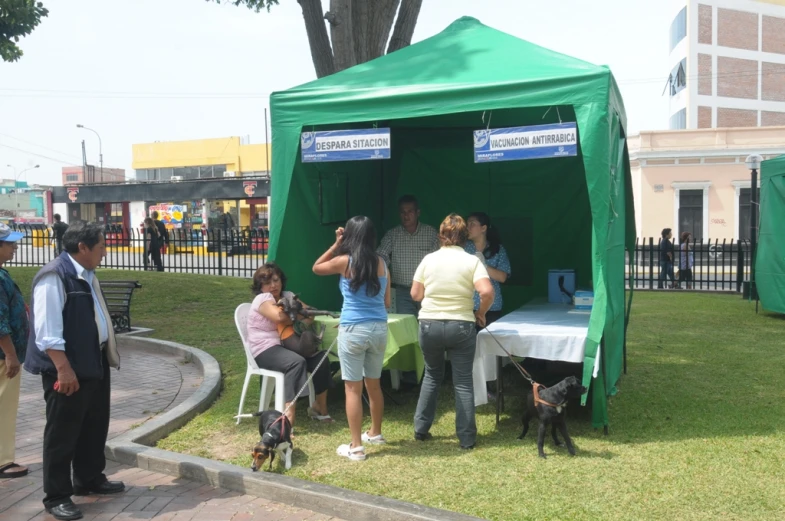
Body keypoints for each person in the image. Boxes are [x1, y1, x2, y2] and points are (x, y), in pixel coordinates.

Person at [23, 221, 124, 521]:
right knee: (62, 433)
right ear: (83, 247)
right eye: (102, 246)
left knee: (94, 425)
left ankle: (89, 478)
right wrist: (63, 369)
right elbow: (46, 331)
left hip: (93, 363)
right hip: (67, 370)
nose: (105, 251)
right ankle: (56, 495)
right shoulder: (55, 276)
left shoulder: (86, 274)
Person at [410, 214, 494, 450]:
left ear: (441, 234)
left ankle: (421, 428)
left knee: (432, 375)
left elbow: (416, 295)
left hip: (429, 324)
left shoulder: (429, 259)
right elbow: (487, 292)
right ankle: (466, 438)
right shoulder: (472, 260)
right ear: (464, 236)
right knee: (463, 382)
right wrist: (481, 312)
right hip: (462, 325)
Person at [313, 216, 390, 461]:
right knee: (374, 385)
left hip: (353, 329)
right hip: (379, 328)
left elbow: (316, 267)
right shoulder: (382, 263)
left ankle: (356, 446)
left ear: (350, 236)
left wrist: (336, 244)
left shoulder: (345, 261)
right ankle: (375, 433)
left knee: (352, 389)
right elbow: (386, 303)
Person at [246, 262, 332, 429]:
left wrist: (298, 312)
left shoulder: (287, 295)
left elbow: (310, 315)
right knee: (295, 362)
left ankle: (319, 407)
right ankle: (288, 416)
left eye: (276, 280)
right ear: (260, 286)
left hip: (286, 345)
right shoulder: (262, 299)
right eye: (267, 282)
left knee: (321, 359)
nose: (273, 285)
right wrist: (298, 312)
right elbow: (279, 317)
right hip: (265, 349)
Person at [377, 195, 439, 386]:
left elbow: (440, 258)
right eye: (402, 212)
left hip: (428, 291)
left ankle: (432, 372)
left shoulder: (430, 233)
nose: (406, 215)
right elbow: (380, 255)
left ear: (418, 212)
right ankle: (411, 374)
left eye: (410, 211)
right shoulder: (392, 234)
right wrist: (383, 270)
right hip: (403, 291)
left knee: (429, 331)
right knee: (408, 333)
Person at [0, 224, 30, 480]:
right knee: (3, 408)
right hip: (3, 358)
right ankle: (2, 461)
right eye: (9, 243)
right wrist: (10, 355)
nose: (15, 247)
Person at [465, 212, 511, 327]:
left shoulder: (497, 249)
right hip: (466, 306)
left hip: (491, 306)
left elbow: (503, 277)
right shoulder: (463, 248)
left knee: (489, 343)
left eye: (472, 224)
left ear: (483, 228)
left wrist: (483, 265)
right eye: (467, 224)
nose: (468, 227)